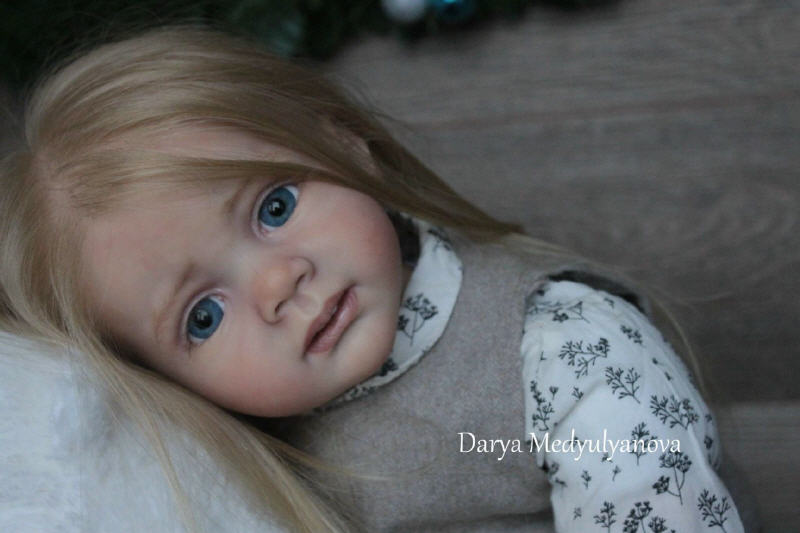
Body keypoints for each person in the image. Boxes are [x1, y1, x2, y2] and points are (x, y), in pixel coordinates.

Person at [0, 24, 751, 533]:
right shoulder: (226, 448)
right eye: (204, 315)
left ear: (347, 143)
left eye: (274, 206)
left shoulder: (566, 347)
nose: (279, 286)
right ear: (159, 379)